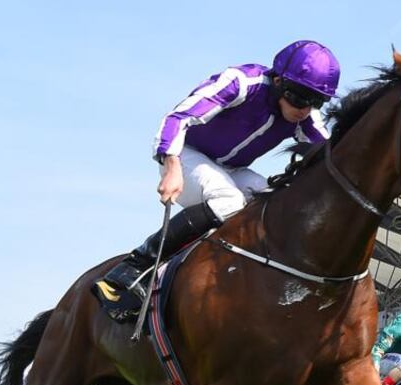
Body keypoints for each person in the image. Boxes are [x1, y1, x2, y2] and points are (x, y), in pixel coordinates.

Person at [93, 40, 340, 317]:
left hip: (231, 169)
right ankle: (132, 269)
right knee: (229, 200)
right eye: (299, 96)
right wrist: (171, 163)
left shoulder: (306, 118)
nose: (305, 108)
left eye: (316, 100)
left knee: (275, 203)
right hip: (186, 153)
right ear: (279, 80)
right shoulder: (242, 82)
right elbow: (178, 117)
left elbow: (333, 156)